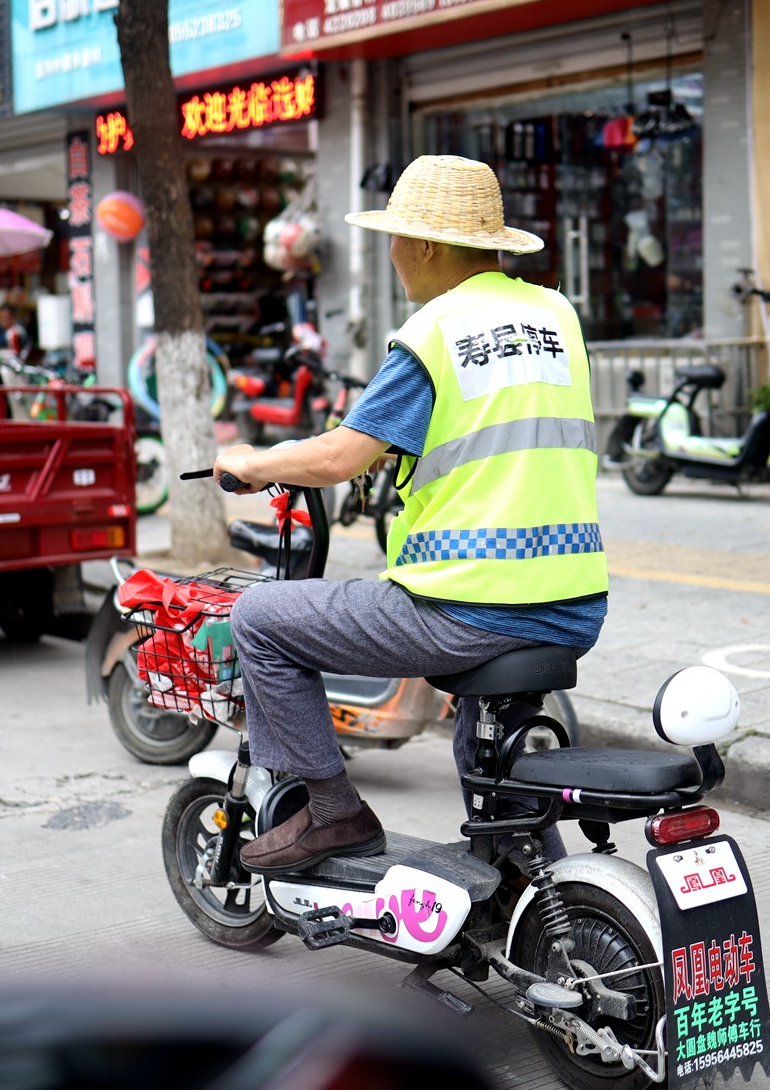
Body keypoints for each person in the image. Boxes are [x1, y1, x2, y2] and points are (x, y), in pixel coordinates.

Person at [210, 154, 608, 875]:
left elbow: (340, 457)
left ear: (424, 245)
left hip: (470, 604)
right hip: (573, 603)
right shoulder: (557, 315)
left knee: (260, 618)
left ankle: (334, 812)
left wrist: (252, 460)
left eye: (394, 238)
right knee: (486, 750)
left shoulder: (436, 332)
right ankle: (536, 885)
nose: (390, 253)